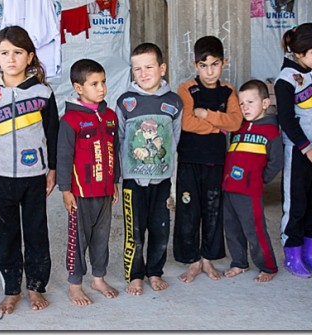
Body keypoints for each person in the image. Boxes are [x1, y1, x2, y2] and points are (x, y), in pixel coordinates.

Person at [0, 25, 59, 313]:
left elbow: (53, 132)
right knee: (7, 234)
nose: (11, 58)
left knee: (36, 232)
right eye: (4, 52)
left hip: (34, 175)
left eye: (18, 52)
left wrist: (53, 169)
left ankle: (36, 286)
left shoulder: (42, 92)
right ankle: (11, 289)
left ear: (30, 57)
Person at [173, 35, 243, 283]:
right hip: (189, 160)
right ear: (195, 66)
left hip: (216, 161)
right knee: (188, 210)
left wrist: (207, 114)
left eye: (214, 64)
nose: (209, 71)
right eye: (204, 65)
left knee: (213, 211)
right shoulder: (186, 89)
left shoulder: (228, 91)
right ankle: (192, 261)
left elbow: (235, 121)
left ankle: (208, 259)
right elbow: (187, 122)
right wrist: (217, 127)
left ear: (224, 63)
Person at [115, 43, 183, 295]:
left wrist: (167, 171)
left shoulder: (174, 102)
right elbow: (119, 140)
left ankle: (155, 272)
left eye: (149, 67)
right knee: (134, 230)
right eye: (137, 69)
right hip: (133, 181)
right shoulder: (125, 102)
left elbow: (175, 140)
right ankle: (135, 275)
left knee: (160, 229)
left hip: (162, 180)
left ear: (162, 68)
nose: (143, 74)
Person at [57, 59, 120, 306]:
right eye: (94, 83)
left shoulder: (111, 116)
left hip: (104, 190)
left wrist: (114, 181)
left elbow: (114, 150)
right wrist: (65, 190)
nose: (102, 88)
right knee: (79, 238)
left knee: (102, 237)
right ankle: (75, 284)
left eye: (103, 82)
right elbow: (63, 157)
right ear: (78, 88)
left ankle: (99, 278)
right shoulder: (70, 120)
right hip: (80, 193)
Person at [274, 23, 312, 278]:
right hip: (299, 153)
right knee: (296, 205)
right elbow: (286, 120)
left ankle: (311, 254)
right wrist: (307, 148)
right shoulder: (285, 80)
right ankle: (294, 255)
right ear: (299, 52)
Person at [222, 79, 283, 283]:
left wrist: (260, 179)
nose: (245, 107)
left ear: (265, 103)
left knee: (254, 230)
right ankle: (239, 262)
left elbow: (276, 161)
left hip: (249, 191)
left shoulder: (271, 131)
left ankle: (268, 266)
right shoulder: (238, 127)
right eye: (241, 103)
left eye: (250, 102)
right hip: (230, 188)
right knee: (231, 229)